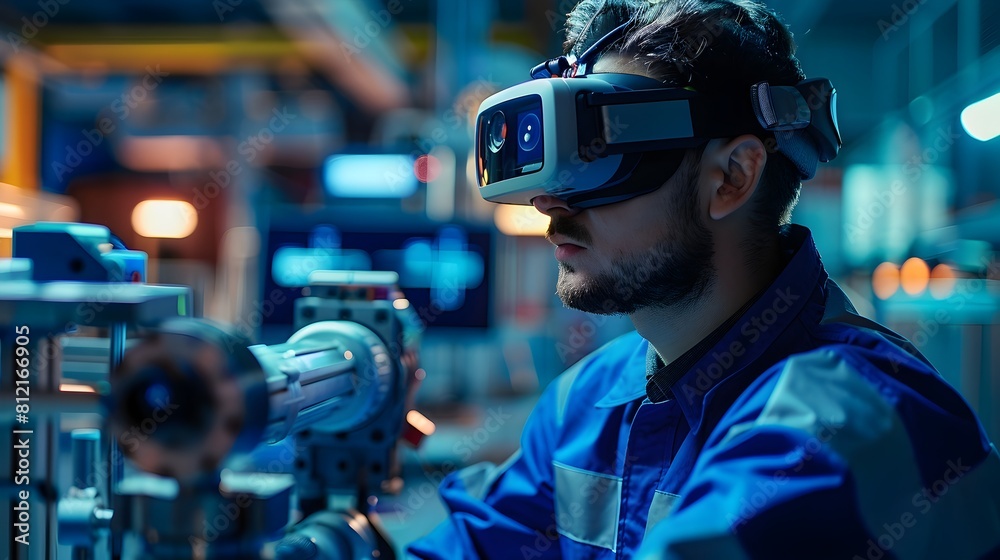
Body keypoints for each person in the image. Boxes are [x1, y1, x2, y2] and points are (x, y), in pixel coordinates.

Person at [408, 0, 1000, 558]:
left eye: (600, 155)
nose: (550, 204)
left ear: (732, 177)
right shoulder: (585, 402)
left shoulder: (848, 423)